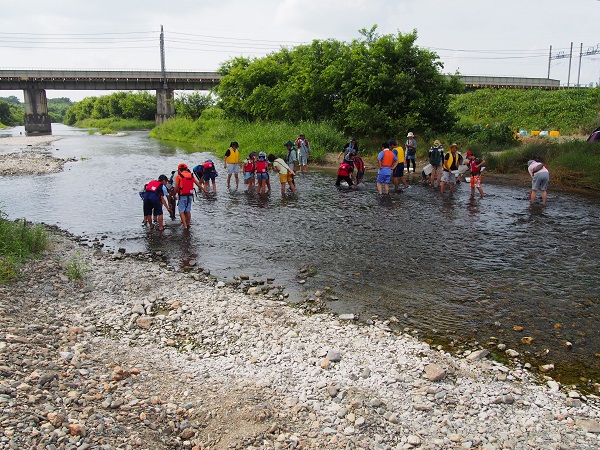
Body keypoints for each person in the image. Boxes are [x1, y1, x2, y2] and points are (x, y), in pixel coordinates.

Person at [174, 163, 203, 229]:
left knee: (181, 211)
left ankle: (185, 226)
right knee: (188, 210)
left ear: (179, 170)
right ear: (186, 169)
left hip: (182, 195)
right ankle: (188, 223)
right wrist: (204, 190)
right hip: (190, 195)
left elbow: (176, 187)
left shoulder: (179, 176)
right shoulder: (191, 175)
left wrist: (174, 194)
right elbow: (198, 184)